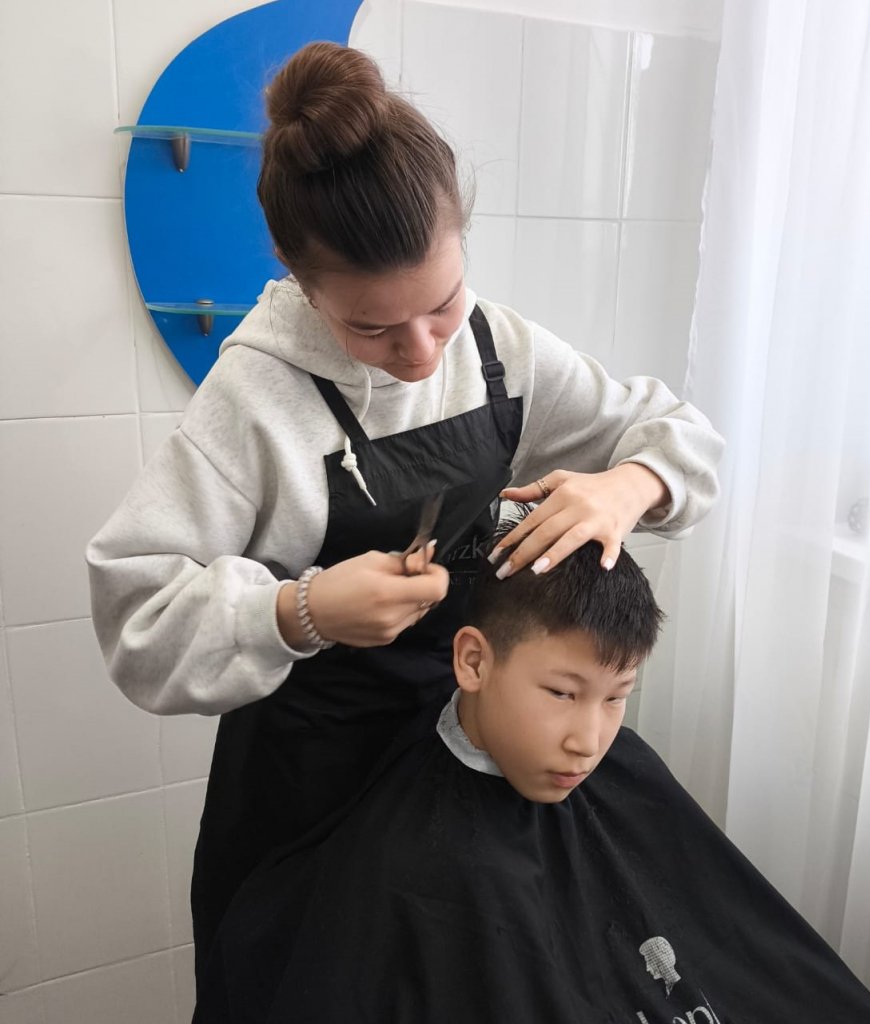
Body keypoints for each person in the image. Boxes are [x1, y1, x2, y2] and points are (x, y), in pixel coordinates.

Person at [86, 41, 724, 974]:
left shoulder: (500, 351)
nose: (424, 353)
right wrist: (300, 611)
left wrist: (627, 486)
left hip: (470, 762)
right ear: (303, 283)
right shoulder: (255, 402)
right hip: (313, 793)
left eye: (443, 304)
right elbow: (136, 615)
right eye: (373, 327)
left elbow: (685, 438)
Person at [192, 519, 870, 1024]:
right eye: (562, 693)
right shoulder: (408, 864)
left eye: (617, 698)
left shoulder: (623, 767)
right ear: (473, 661)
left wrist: (634, 481)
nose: (588, 742)